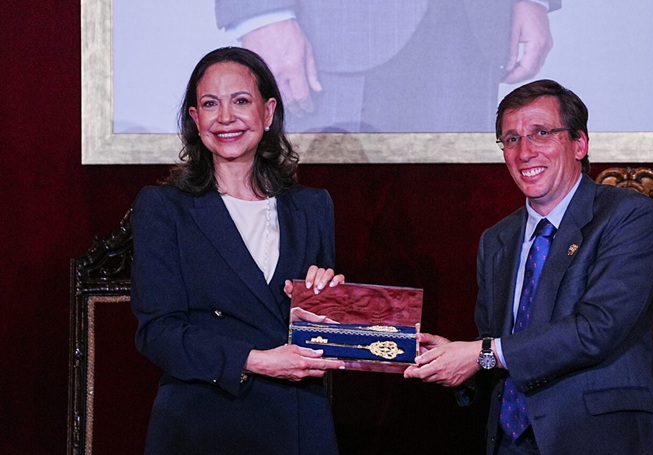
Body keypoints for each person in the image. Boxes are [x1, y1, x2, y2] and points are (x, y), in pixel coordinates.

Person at [404, 80, 653, 454]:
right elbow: (497, 344)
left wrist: (481, 352)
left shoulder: (627, 216)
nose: (525, 152)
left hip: (597, 437)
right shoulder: (497, 239)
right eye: (511, 139)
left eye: (541, 133)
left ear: (579, 143)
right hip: (509, 441)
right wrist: (456, 362)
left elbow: (597, 329)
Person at [130, 46, 345, 454]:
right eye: (211, 104)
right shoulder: (164, 208)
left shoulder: (313, 206)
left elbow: (323, 335)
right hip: (203, 420)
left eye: (241, 101)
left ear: (268, 112)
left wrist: (329, 300)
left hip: (297, 420)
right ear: (196, 119)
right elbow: (157, 332)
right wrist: (256, 360)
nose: (226, 117)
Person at [214, 0, 561, 133]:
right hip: (332, 30)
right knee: (323, 230)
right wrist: (262, 12)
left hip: (468, 26)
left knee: (448, 224)